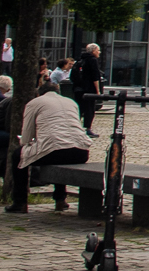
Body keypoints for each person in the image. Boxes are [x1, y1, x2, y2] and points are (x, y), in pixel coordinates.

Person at [14, 75, 91, 212]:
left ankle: (20, 202)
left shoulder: (35, 103)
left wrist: (27, 143)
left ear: (39, 93)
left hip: (55, 149)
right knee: (60, 150)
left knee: (17, 156)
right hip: (81, 151)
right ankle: (60, 199)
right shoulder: (71, 102)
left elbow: (26, 137)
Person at [72, 43, 104, 133]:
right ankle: (88, 128)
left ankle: (75, 127)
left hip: (78, 89)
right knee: (89, 109)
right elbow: (95, 76)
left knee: (79, 109)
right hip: (89, 90)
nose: (99, 52)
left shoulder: (80, 60)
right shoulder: (92, 60)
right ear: (93, 51)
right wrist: (98, 91)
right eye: (98, 50)